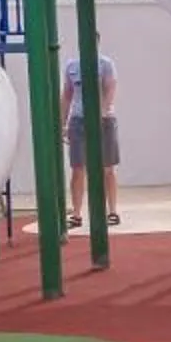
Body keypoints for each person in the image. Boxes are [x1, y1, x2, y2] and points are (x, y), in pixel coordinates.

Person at [62, 49, 122, 228]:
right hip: (79, 120)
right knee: (78, 167)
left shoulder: (106, 64)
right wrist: (62, 123)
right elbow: (66, 95)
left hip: (104, 120)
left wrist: (101, 114)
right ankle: (77, 213)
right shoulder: (72, 66)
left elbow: (110, 90)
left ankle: (112, 211)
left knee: (107, 167)